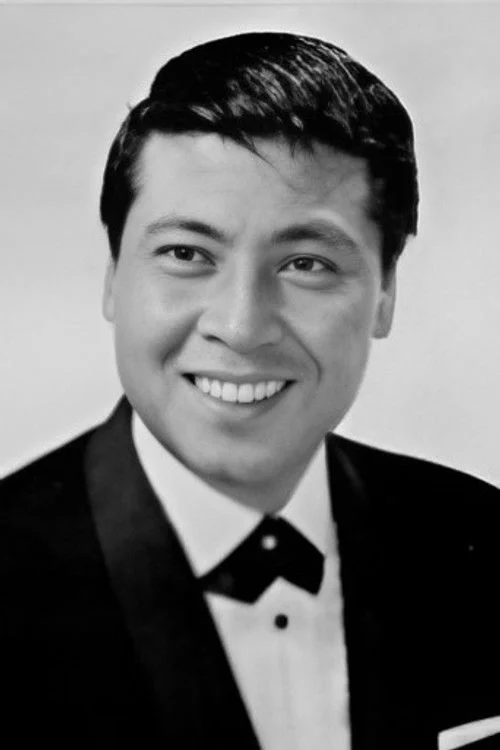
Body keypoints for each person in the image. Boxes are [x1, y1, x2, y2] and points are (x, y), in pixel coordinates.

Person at [1, 31, 499, 750]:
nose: (241, 327)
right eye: (186, 253)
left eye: (306, 263)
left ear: (386, 292)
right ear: (113, 276)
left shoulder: (481, 543)